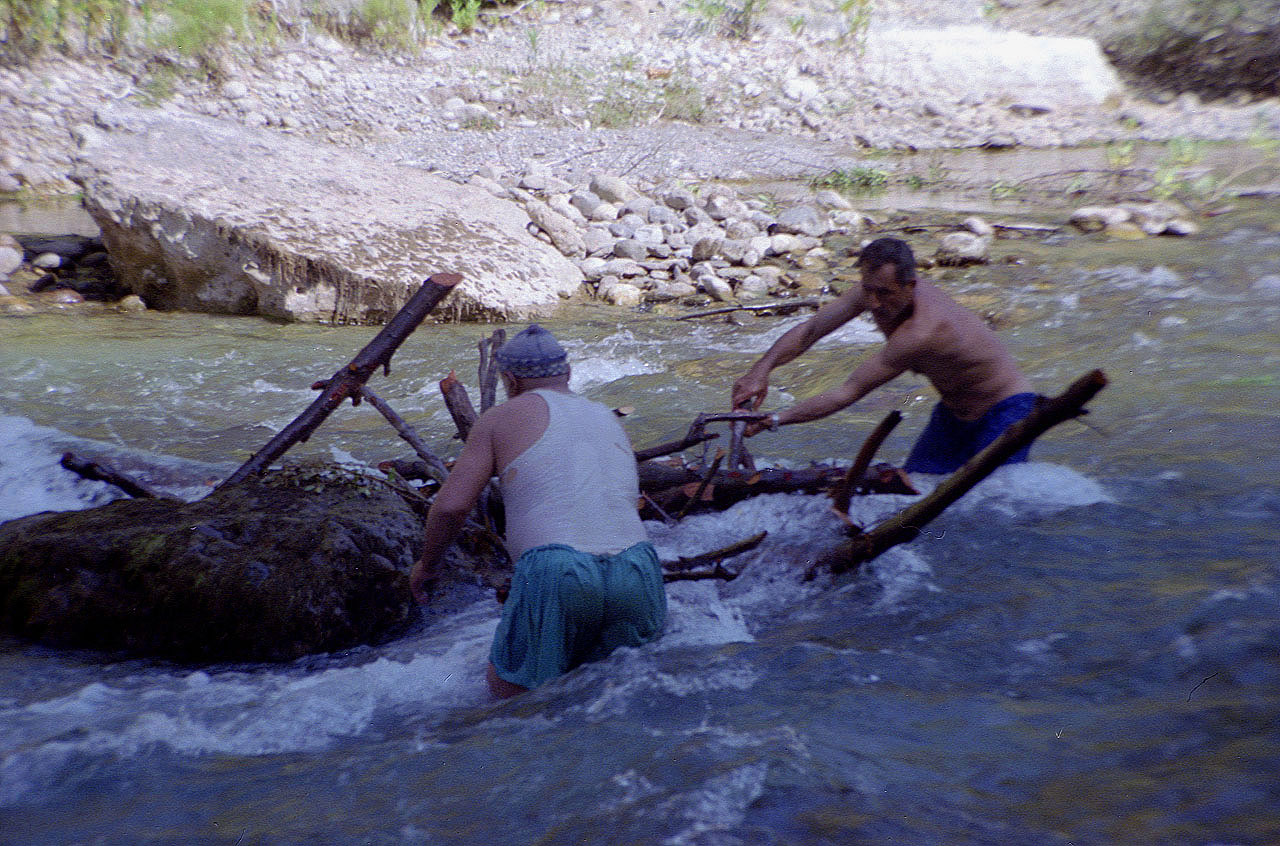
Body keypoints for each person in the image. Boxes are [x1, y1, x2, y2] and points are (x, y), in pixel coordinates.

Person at [409, 324, 666, 698]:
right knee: (617, 697)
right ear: (568, 373)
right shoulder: (606, 416)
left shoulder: (499, 417)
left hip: (558, 569)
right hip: (637, 567)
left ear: (510, 380)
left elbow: (452, 507)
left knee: (514, 704)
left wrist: (428, 565)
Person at [731, 237, 1038, 474]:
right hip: (953, 415)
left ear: (910, 286)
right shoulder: (873, 290)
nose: (874, 303)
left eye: (885, 293)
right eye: (868, 290)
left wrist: (774, 419)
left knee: (992, 501)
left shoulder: (921, 331)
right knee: (914, 490)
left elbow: (848, 392)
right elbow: (811, 330)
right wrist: (760, 371)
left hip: (1006, 411)